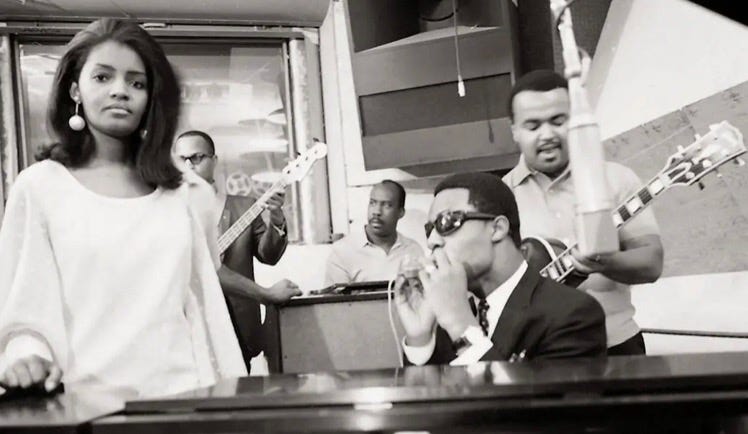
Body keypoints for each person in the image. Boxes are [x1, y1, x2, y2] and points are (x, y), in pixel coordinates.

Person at [0, 18, 245, 398]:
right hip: (82, 405)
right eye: (102, 77)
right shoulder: (40, 187)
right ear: (75, 89)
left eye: (136, 83)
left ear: (151, 98)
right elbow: (23, 309)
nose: (120, 91)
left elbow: (205, 309)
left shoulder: (185, 193)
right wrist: (25, 358)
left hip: (183, 402)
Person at [502, 70, 664, 356]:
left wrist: (604, 262)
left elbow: (651, 263)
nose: (547, 135)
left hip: (615, 345)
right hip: (535, 356)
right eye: (533, 125)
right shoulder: (500, 197)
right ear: (514, 130)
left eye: (558, 121)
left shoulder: (616, 179)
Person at [395, 173, 606, 365]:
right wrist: (420, 337)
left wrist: (461, 327)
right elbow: (428, 394)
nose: (432, 241)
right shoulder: (455, 311)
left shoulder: (572, 314)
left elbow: (535, 397)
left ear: (497, 228)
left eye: (446, 221)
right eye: (429, 229)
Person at [173, 130, 300, 372]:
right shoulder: (169, 211)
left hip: (238, 324)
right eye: (182, 159)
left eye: (197, 157)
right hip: (186, 325)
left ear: (214, 160)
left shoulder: (243, 206)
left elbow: (269, 256)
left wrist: (276, 217)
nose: (189, 165)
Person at [324, 180, 424, 286]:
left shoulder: (413, 250)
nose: (377, 212)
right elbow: (335, 296)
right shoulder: (342, 251)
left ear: (401, 212)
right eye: (373, 203)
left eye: (387, 205)